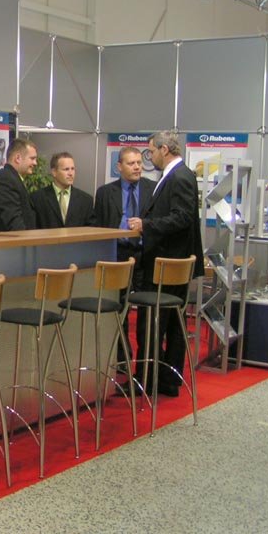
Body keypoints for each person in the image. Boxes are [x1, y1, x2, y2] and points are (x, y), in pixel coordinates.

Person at [127, 130, 204, 397]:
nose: (149, 158)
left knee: (154, 323)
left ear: (164, 150)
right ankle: (165, 379)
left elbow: (182, 217)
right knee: (170, 324)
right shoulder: (176, 175)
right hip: (170, 262)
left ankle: (149, 379)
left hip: (167, 263)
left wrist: (146, 225)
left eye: (150, 151)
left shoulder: (179, 176)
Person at [94, 147, 155, 371]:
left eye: (139, 162)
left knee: (146, 311)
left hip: (144, 255)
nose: (137, 167)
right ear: (119, 166)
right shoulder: (105, 193)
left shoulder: (152, 189)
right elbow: (98, 225)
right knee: (119, 309)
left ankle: (145, 363)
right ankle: (122, 360)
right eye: (131, 163)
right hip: (117, 255)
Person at [0, 138, 37, 232]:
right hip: (9, 241)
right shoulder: (6, 180)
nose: (35, 163)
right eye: (32, 158)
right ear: (18, 158)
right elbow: (14, 223)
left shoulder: (11, 178)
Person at [30, 152, 95, 228]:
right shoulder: (37, 198)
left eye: (72, 169)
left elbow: (91, 230)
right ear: (54, 172)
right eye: (66, 169)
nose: (70, 173)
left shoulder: (86, 200)